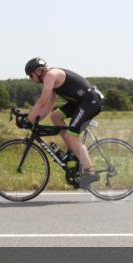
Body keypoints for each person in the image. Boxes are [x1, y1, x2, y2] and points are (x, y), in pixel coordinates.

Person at [24, 57, 102, 188]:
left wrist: (28, 119)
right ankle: (73, 152)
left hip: (90, 101)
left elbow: (41, 101)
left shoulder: (50, 75)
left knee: (72, 135)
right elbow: (48, 107)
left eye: (30, 76)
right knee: (55, 116)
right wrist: (35, 120)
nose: (31, 79)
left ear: (37, 72)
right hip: (79, 102)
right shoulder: (50, 80)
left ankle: (91, 172)